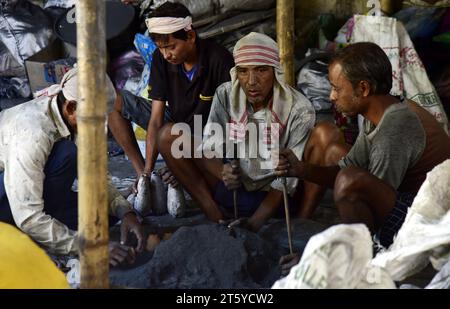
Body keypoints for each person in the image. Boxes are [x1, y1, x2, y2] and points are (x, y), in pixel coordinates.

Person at [276, 42, 450, 274]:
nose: (332, 96)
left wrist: (322, 258)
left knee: (351, 183)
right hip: (411, 208)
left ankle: (356, 266)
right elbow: (343, 169)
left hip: (432, 226)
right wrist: (300, 169)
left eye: (337, 88)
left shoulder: (395, 127)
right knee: (347, 175)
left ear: (364, 89)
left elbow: (365, 201)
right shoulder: (379, 113)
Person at [158, 32, 343, 230]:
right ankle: (217, 217)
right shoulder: (225, 94)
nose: (251, 81)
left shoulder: (299, 108)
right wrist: (223, 172)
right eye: (243, 71)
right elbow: (209, 148)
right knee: (169, 135)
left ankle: (299, 226)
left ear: (275, 71)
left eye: (261, 71)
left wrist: (256, 222)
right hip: (233, 189)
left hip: (280, 199)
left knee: (325, 133)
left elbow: (289, 177)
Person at [0, 67, 144, 267]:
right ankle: (26, 234)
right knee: (67, 153)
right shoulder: (30, 132)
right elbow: (28, 216)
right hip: (7, 194)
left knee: (103, 212)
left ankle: (46, 229)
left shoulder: (72, 119)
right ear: (70, 108)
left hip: (24, 192)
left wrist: (125, 212)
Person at [108, 2, 234, 186]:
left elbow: (228, 126)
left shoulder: (219, 60)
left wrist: (182, 160)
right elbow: (156, 119)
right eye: (161, 48)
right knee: (113, 101)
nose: (166, 54)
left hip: (209, 134)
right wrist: (147, 172)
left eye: (171, 47)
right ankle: (142, 177)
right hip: (177, 123)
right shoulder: (162, 59)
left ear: (190, 36)